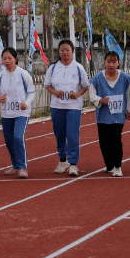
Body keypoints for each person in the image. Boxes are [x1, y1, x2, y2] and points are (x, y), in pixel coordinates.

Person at [44, 40, 90, 176]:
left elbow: (85, 85)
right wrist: (54, 92)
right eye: (62, 50)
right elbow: (47, 85)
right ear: (59, 52)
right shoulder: (53, 68)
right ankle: (63, 160)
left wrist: (77, 94)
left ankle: (73, 163)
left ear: (72, 52)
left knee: (72, 135)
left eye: (67, 50)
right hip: (57, 106)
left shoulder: (78, 67)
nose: (65, 53)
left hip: (73, 107)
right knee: (59, 134)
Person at [0, 47, 35, 178]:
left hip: (22, 113)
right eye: (4, 58)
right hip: (7, 113)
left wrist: (26, 103)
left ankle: (22, 167)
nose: (7, 61)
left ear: (15, 59)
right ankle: (15, 166)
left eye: (10, 58)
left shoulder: (23, 74)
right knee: (9, 140)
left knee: (18, 137)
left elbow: (32, 92)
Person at [89, 51, 130, 177]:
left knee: (116, 139)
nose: (111, 65)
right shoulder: (97, 78)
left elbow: (129, 95)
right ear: (105, 63)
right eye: (109, 62)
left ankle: (118, 166)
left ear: (118, 63)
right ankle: (109, 165)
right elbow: (91, 95)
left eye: (114, 62)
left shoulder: (125, 78)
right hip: (103, 115)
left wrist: (129, 110)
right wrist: (100, 100)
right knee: (104, 141)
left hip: (118, 116)